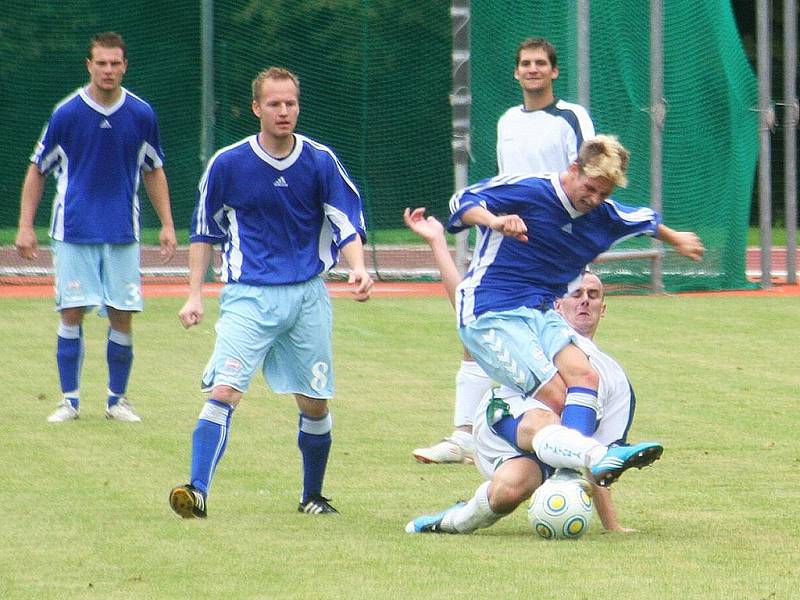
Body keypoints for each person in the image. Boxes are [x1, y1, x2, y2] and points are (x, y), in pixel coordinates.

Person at [169, 67, 373, 519]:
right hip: (248, 297)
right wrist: (194, 294)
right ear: (257, 108)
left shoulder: (320, 160)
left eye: (291, 103)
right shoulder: (228, 163)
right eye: (275, 104)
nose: (284, 112)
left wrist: (358, 268)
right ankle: (196, 491)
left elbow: (346, 223)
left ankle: (312, 496)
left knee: (314, 402)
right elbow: (205, 233)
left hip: (307, 298)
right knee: (224, 390)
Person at [403, 209, 652, 533]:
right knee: (546, 416)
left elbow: (603, 457)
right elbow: (467, 306)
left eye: (593, 295)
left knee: (510, 490)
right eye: (576, 294)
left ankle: (448, 522)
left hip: (552, 453)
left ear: (604, 308)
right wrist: (438, 242)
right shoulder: (536, 327)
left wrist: (612, 527)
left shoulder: (615, 378)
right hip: (503, 420)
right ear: (557, 304)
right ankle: (585, 455)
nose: (585, 301)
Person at [448, 134, 703, 448]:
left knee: (586, 378)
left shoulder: (603, 215)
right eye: (590, 188)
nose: (595, 199)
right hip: (491, 311)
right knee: (558, 398)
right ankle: (496, 422)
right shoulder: (531, 189)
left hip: (541, 311)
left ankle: (567, 477)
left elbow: (644, 221)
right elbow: (462, 202)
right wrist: (495, 221)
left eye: (603, 193)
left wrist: (677, 238)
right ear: (574, 169)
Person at [412, 37, 595, 465]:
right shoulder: (507, 121)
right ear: (516, 72)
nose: (532, 70)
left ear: (554, 71)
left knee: (562, 341)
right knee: (478, 323)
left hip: (552, 246)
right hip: (506, 238)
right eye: (525, 64)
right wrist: (495, 222)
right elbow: (505, 183)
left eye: (540, 64)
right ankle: (464, 436)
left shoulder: (571, 117)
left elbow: (590, 175)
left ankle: (576, 430)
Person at [14, 31, 177, 423]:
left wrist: (168, 223)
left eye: (115, 63)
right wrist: (25, 225)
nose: (108, 70)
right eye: (100, 63)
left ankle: (116, 400)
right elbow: (38, 168)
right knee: (72, 310)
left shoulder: (141, 114)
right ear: (89, 65)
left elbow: (153, 169)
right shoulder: (67, 113)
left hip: (122, 231)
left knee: (123, 314)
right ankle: (68, 401)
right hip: (73, 230)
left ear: (125, 66)